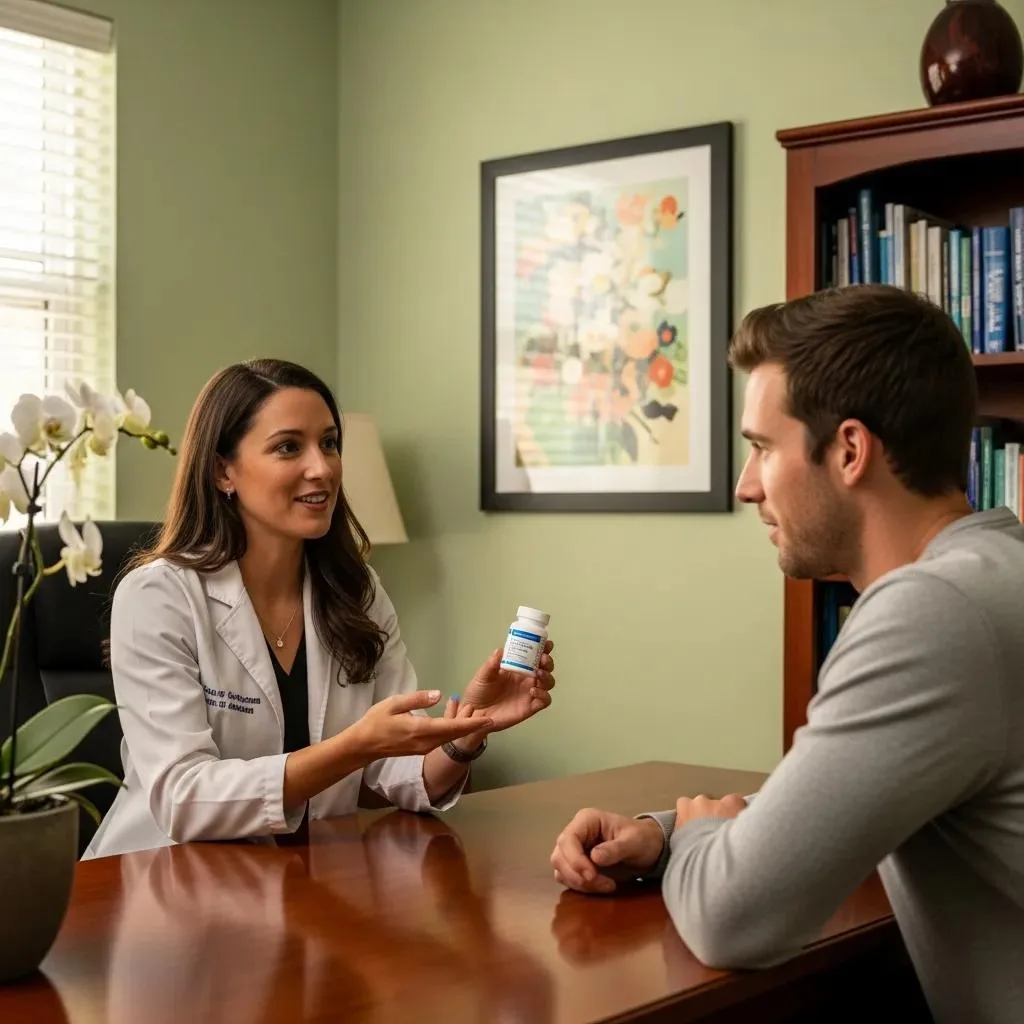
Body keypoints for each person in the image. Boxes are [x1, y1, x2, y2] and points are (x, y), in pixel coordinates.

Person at [550, 285, 1024, 1024]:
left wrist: (707, 837)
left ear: (850, 450)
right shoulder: (996, 572)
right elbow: (858, 789)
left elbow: (734, 920)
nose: (746, 487)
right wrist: (671, 831)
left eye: (762, 448)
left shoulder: (932, 615)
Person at [84, 358, 555, 859]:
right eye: (289, 446)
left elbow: (399, 773)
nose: (323, 467)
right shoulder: (159, 597)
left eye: (329, 443)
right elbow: (184, 798)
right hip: (164, 882)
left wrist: (469, 729)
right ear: (224, 470)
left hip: (309, 881)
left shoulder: (357, 591)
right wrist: (355, 746)